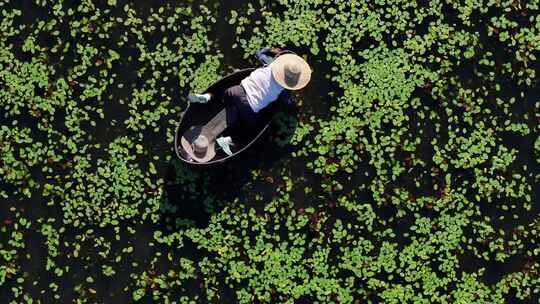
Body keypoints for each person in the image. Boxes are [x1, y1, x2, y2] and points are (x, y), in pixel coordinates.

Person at [187, 47, 312, 156]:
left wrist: (271, 49)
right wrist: (294, 105)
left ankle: (208, 98)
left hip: (235, 91)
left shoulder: (270, 64)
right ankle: (229, 140)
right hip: (248, 105)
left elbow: (259, 53)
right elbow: (288, 103)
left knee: (223, 97)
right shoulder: (284, 89)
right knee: (252, 128)